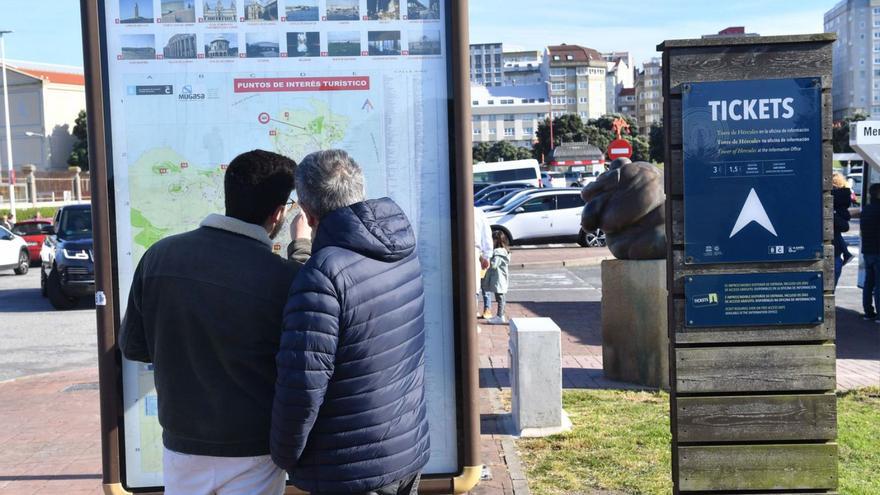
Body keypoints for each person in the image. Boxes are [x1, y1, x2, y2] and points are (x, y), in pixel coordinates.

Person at [119, 150, 312, 495]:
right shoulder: (284, 278)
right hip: (254, 449)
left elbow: (135, 346)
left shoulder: (159, 256)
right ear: (279, 212)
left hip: (182, 444)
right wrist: (301, 248)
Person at [271, 150, 430, 494]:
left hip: (352, 469)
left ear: (308, 211)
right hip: (405, 449)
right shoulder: (399, 247)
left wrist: (284, 455)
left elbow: (303, 386)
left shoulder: (324, 274)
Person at [482, 229, 511, 324]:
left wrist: (485, 259)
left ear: (496, 240)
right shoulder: (503, 251)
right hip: (500, 279)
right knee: (500, 298)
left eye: (492, 240)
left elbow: (494, 265)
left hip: (499, 279)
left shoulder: (498, 252)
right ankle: (500, 315)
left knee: (500, 299)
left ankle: (500, 316)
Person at [860, 183, 880, 320]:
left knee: (869, 283)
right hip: (878, 251)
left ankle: (868, 312)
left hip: (868, 251)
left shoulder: (866, 210)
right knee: (879, 285)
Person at [832, 172, 854, 287]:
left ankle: (846, 253)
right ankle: (846, 252)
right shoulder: (845, 193)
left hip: (833, 251)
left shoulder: (833, 195)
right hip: (836, 252)